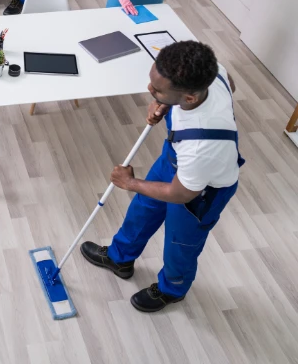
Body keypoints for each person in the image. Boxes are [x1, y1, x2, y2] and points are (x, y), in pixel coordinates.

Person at [80, 41, 244, 312]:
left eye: (157, 90)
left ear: (190, 97)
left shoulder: (201, 145)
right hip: (174, 160)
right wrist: (163, 101)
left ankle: (172, 289)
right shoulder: (212, 73)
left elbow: (181, 194)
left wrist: (130, 183)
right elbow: (231, 83)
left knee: (180, 243)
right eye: (152, 81)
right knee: (143, 210)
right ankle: (120, 258)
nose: (149, 89)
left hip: (202, 191)